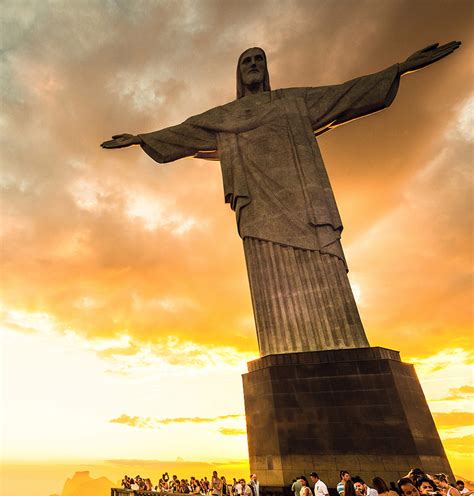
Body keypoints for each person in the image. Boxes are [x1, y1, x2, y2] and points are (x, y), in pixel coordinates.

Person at [102, 42, 461, 357]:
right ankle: (285, 348)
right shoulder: (224, 116)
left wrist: (401, 67)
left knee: (326, 270)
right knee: (273, 286)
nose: (255, 65)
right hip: (259, 211)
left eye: (259, 59)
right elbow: (184, 131)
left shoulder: (295, 101)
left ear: (267, 68)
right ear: (240, 74)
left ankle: (345, 343)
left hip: (306, 206)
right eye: (247, 61)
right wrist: (140, 138)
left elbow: (347, 93)